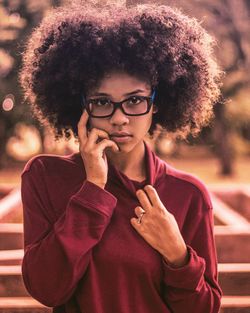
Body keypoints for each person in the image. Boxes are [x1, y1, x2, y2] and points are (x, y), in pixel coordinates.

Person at [19, 1, 223, 312]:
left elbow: (205, 308)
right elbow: (47, 289)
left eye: (135, 100)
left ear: (157, 102)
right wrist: (92, 190)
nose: (119, 118)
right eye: (102, 102)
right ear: (81, 105)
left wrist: (178, 254)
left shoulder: (188, 194)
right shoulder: (46, 176)